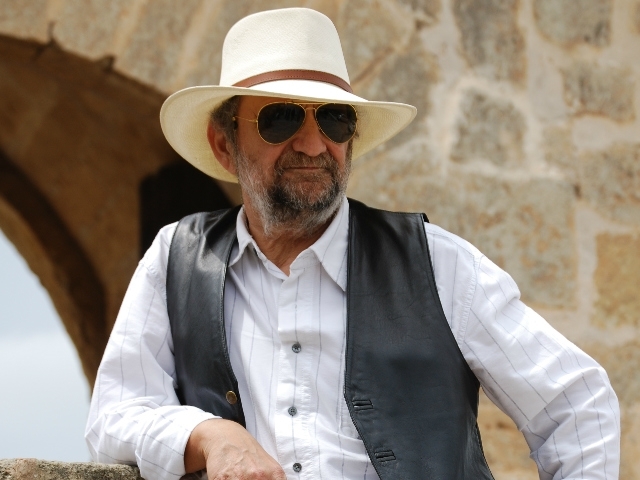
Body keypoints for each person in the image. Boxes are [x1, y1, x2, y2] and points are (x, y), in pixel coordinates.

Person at [85, 7, 620, 480]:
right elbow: (114, 417)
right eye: (280, 118)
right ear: (225, 145)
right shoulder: (176, 259)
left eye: (334, 119)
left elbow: (578, 404)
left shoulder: (438, 263)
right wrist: (209, 435)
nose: (313, 143)